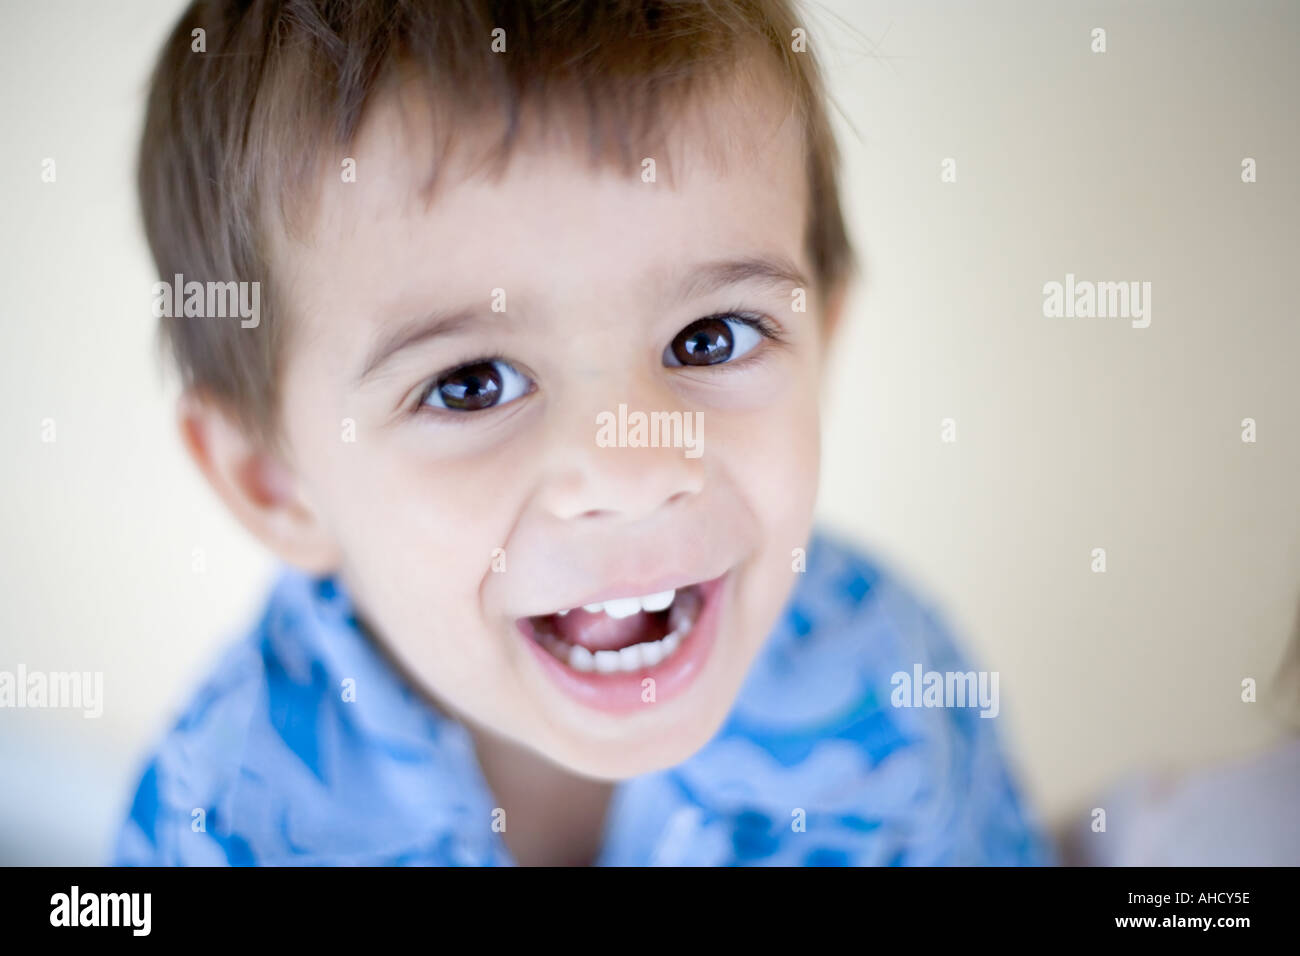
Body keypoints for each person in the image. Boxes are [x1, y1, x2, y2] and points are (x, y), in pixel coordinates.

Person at [113, 0, 1054, 866]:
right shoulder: (222, 819)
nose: (634, 469)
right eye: (471, 385)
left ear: (824, 348)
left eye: (709, 338)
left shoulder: (896, 688)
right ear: (274, 482)